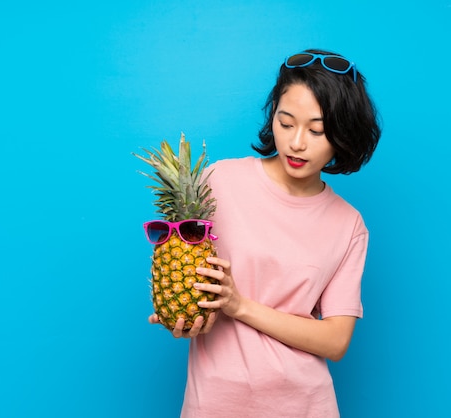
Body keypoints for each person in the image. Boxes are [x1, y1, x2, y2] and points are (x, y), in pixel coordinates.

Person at [149, 48, 381, 418]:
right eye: (286, 123)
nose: (297, 142)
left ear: (343, 134)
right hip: (214, 404)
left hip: (306, 405)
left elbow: (336, 341)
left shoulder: (348, 225)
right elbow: (190, 283)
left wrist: (240, 307)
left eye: (317, 130)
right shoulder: (216, 183)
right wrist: (184, 319)